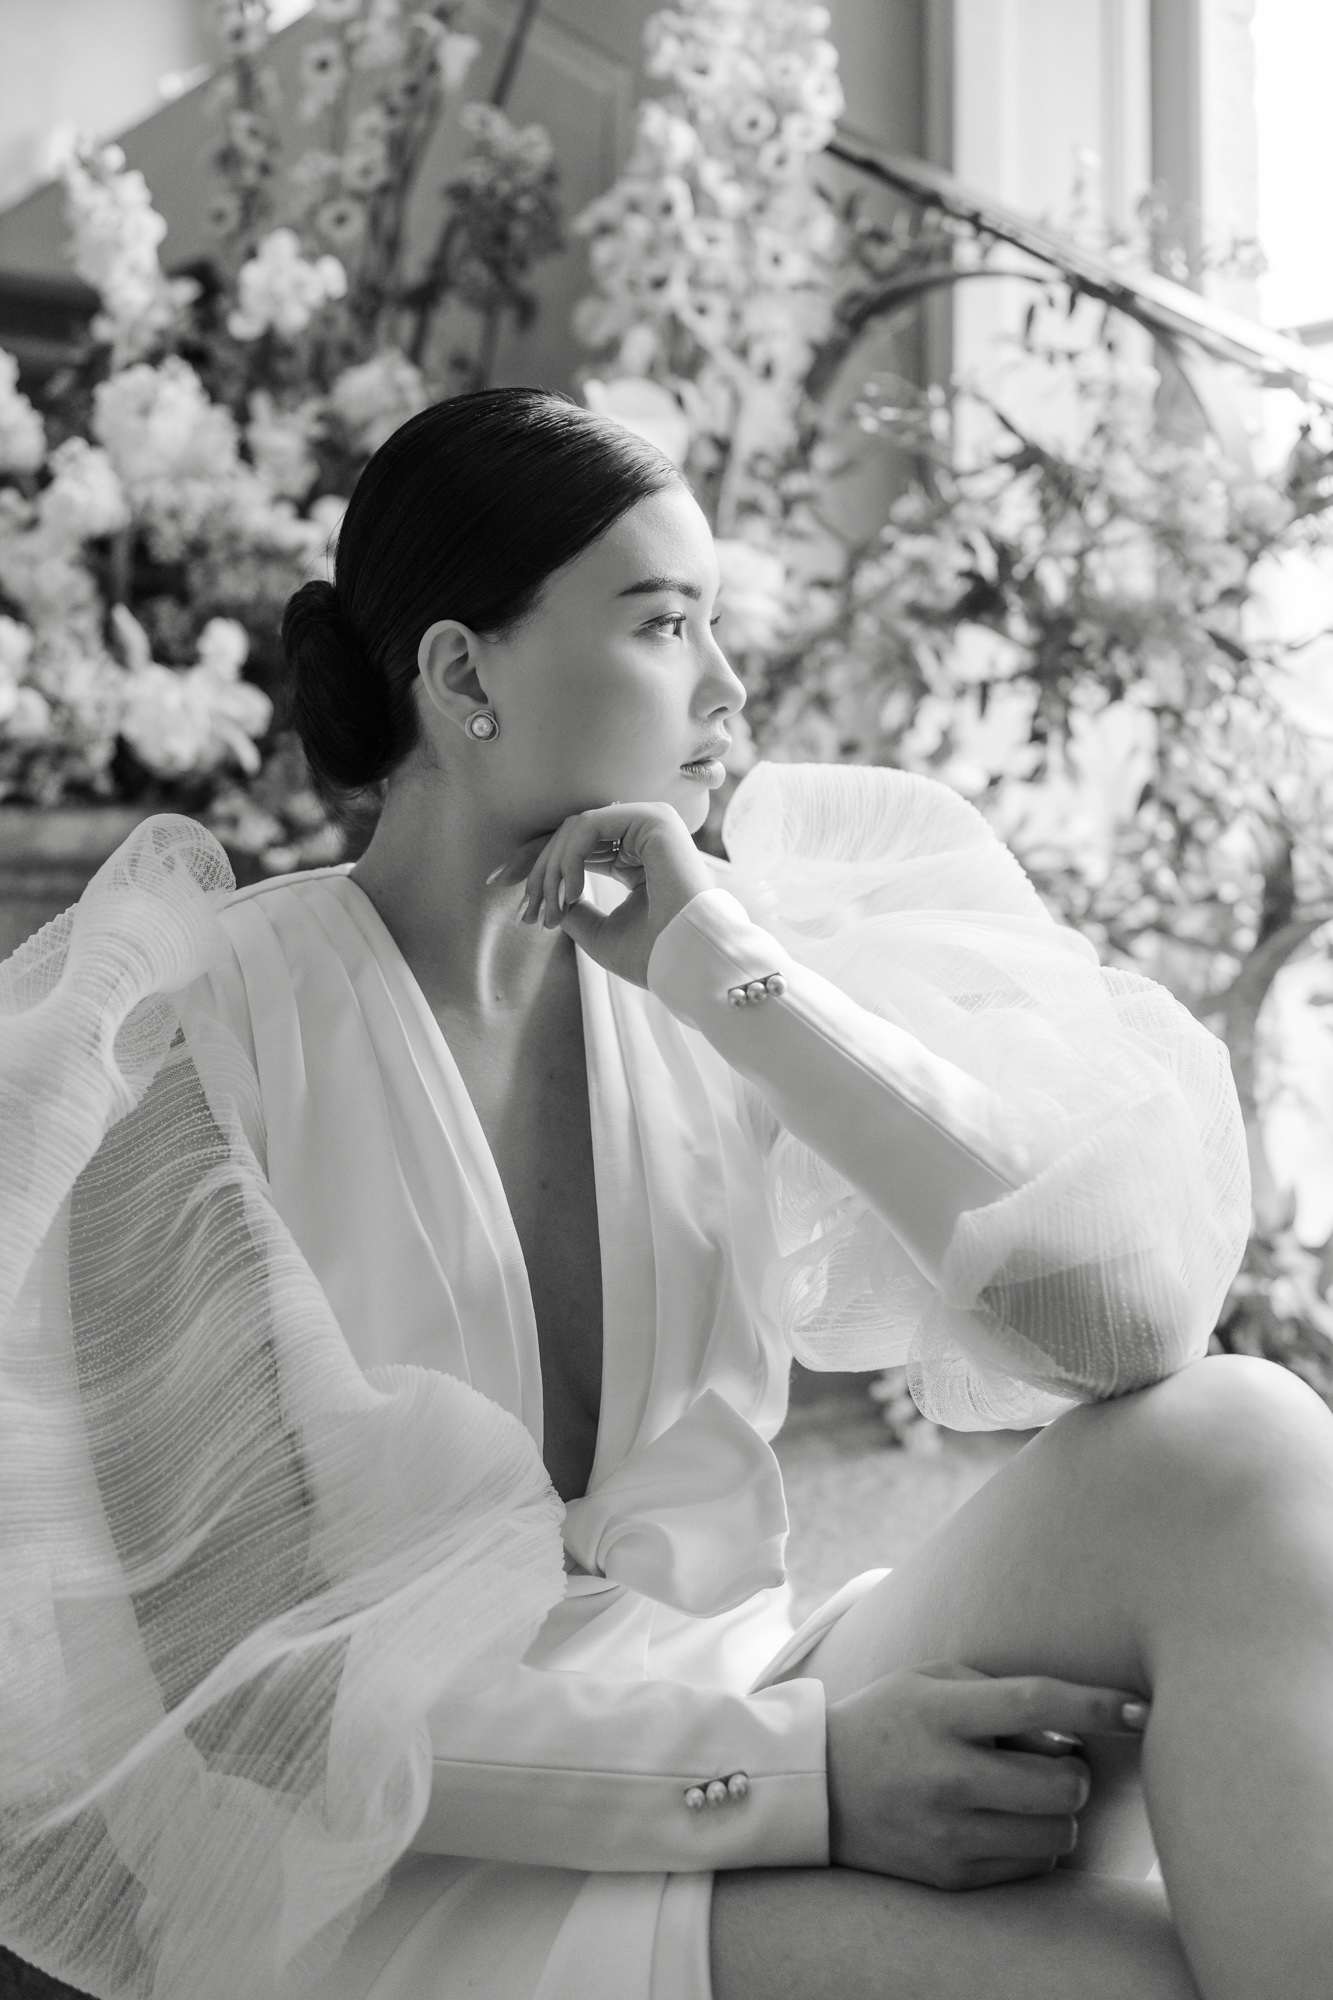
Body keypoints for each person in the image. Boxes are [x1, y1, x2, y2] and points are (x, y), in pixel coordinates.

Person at [2, 385, 1331, 2000]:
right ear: (459, 671)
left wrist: (726, 972)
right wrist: (803, 1781)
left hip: (746, 1675)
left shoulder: (699, 956)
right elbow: (245, 1702)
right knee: (1133, 1975)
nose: (726, 684)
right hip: (412, 1859)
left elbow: (1125, 1332)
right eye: (662, 623)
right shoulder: (186, 1035)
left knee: (1236, 1439)